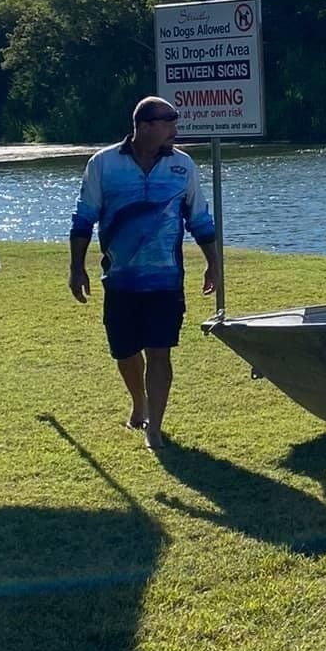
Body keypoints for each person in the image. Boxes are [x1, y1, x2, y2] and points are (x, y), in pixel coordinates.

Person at [68, 96, 220, 450]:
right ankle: (140, 402)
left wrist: (213, 263)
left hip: (166, 281)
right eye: (169, 123)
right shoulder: (103, 164)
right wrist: (77, 268)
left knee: (160, 351)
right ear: (145, 126)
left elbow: (199, 218)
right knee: (124, 351)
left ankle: (154, 426)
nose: (175, 131)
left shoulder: (182, 165)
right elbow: (83, 218)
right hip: (120, 280)